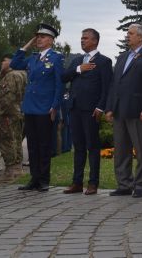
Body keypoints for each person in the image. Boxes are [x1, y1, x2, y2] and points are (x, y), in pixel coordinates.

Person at [10, 23, 64, 192]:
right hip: (30, 106)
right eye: (37, 37)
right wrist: (26, 45)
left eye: (42, 37)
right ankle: (34, 179)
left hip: (45, 107)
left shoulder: (56, 58)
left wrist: (55, 105)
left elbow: (59, 84)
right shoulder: (33, 58)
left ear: (51, 40)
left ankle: (43, 180)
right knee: (32, 145)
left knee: (44, 145)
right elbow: (15, 63)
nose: (39, 39)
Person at [105, 23, 142, 198]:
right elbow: (114, 84)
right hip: (119, 110)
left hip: (138, 111)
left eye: (131, 33)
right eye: (127, 33)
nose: (127, 36)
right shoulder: (122, 57)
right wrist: (110, 107)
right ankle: (124, 184)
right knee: (121, 149)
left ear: (140, 37)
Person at [61, 28, 112, 196]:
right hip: (75, 108)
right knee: (79, 146)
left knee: (92, 146)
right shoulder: (77, 60)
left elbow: (107, 87)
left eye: (86, 38)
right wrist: (78, 69)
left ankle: (93, 183)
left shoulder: (104, 61)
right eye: (81, 38)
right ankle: (77, 182)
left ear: (95, 41)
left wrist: (101, 107)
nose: (82, 40)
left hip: (91, 110)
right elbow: (64, 77)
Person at [0, 54, 27, 181]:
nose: (2, 63)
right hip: (18, 112)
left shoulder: (11, 76)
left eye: (4, 61)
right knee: (16, 139)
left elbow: (7, 96)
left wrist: (0, 111)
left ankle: (11, 171)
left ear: (10, 62)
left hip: (8, 113)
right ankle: (17, 169)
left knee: (7, 140)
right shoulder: (23, 74)